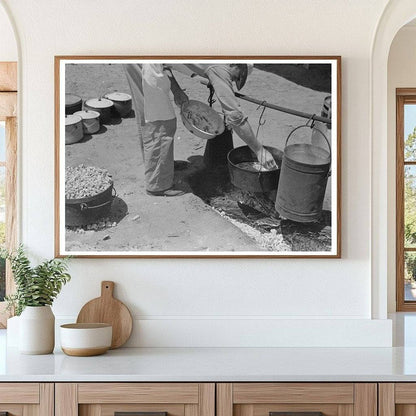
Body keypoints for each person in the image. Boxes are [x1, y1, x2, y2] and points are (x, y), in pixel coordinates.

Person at [173, 63, 278, 170]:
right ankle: (162, 182)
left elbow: (166, 64)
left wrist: (175, 88)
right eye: (236, 77)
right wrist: (259, 150)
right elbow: (235, 117)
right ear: (237, 66)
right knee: (163, 126)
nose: (232, 81)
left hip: (159, 66)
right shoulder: (220, 68)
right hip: (156, 68)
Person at [124, 64, 188, 196]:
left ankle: (161, 166)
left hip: (141, 58)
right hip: (149, 63)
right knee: (161, 120)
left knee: (147, 113)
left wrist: (176, 90)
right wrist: (177, 90)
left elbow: (165, 65)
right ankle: (159, 184)